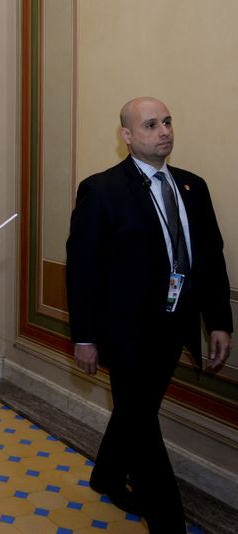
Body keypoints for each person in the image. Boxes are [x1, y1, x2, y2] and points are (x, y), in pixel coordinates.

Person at [66, 96, 232, 533]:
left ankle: (105, 474)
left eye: (168, 122)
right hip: (124, 333)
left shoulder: (193, 187)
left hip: (173, 328)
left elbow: (210, 259)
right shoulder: (101, 190)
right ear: (127, 136)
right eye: (151, 125)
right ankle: (168, 522)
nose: (164, 131)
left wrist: (218, 321)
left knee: (134, 411)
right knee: (142, 424)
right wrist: (83, 336)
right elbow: (83, 269)